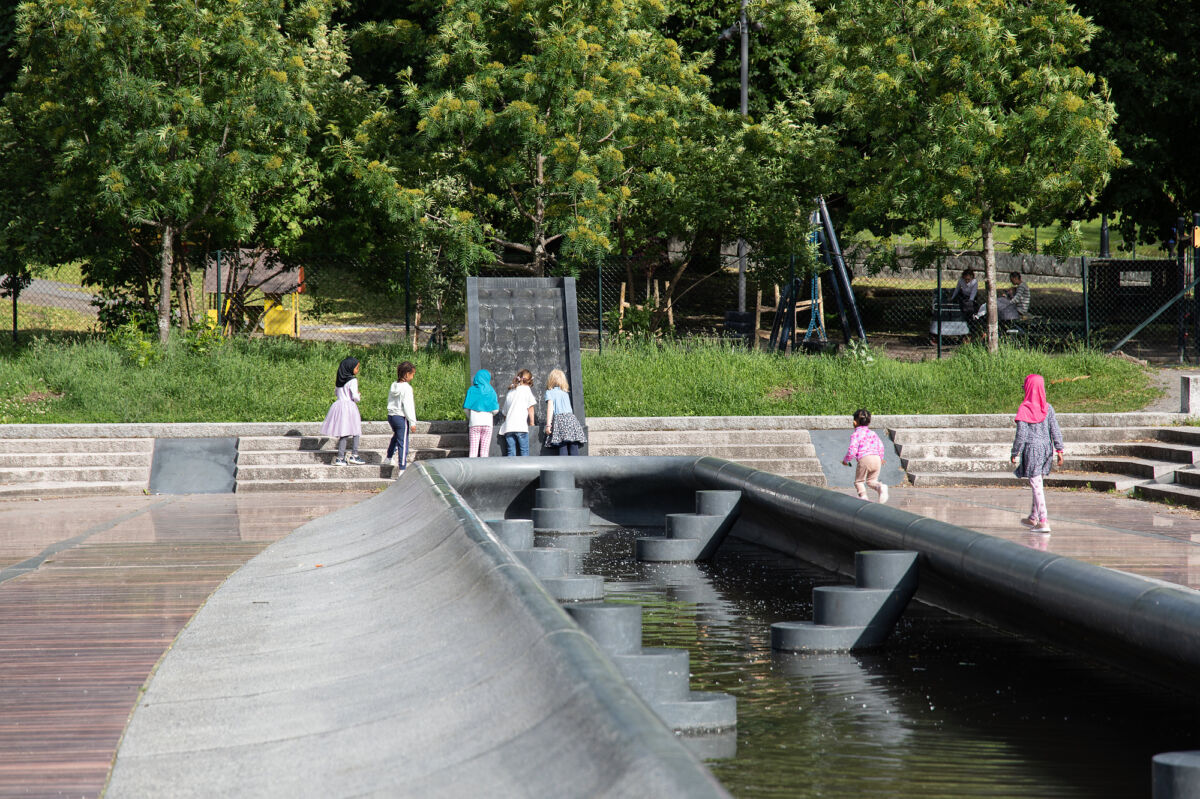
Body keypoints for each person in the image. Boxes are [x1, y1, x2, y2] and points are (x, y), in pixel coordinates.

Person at [1010, 374, 1064, 533]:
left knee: (1035, 484)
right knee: (1037, 481)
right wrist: (1059, 449)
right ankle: (1033, 517)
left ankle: (1044, 520)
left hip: (1032, 450)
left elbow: (1021, 435)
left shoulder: (1024, 409)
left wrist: (1015, 452)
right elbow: (1055, 430)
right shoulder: (1048, 408)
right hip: (1047, 449)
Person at [321, 356, 365, 466]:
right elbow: (355, 397)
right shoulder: (353, 380)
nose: (357, 370)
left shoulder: (339, 381)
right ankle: (354, 455)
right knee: (355, 430)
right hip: (350, 406)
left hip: (339, 406)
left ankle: (340, 457)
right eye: (356, 367)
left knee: (343, 432)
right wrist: (359, 395)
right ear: (350, 368)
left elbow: (337, 393)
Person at [842, 408, 888, 503]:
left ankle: (863, 498)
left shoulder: (856, 434)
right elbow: (881, 446)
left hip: (864, 459)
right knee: (871, 481)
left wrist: (846, 460)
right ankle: (880, 487)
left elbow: (852, 450)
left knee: (859, 482)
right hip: (877, 459)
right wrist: (881, 458)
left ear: (855, 422)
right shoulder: (873, 433)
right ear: (869, 422)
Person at [543, 368, 586, 456]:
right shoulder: (565, 393)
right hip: (571, 419)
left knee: (562, 445)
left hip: (560, 420)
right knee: (573, 444)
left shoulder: (550, 392)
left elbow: (550, 409)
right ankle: (576, 467)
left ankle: (564, 467)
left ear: (550, 380)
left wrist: (548, 425)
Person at [386, 361, 417, 475]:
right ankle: (402, 469)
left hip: (391, 416)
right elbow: (408, 406)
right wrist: (412, 422)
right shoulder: (407, 388)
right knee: (403, 443)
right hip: (401, 417)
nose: (413, 377)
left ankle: (389, 457)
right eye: (412, 374)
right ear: (407, 374)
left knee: (397, 437)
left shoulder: (394, 385)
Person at [499, 369, 537, 456]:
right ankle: (525, 470)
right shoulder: (526, 390)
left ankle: (510, 469)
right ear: (529, 381)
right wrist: (532, 423)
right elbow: (530, 408)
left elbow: (504, 412)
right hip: (521, 427)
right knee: (524, 452)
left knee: (511, 452)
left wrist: (506, 420)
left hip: (509, 428)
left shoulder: (510, 391)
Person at [463, 368, 499, 457]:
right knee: (484, 452)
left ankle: (472, 470)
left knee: (473, 451)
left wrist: (470, 417)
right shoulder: (492, 391)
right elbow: (495, 410)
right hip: (487, 423)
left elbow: (466, 408)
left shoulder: (471, 390)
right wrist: (490, 414)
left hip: (474, 423)